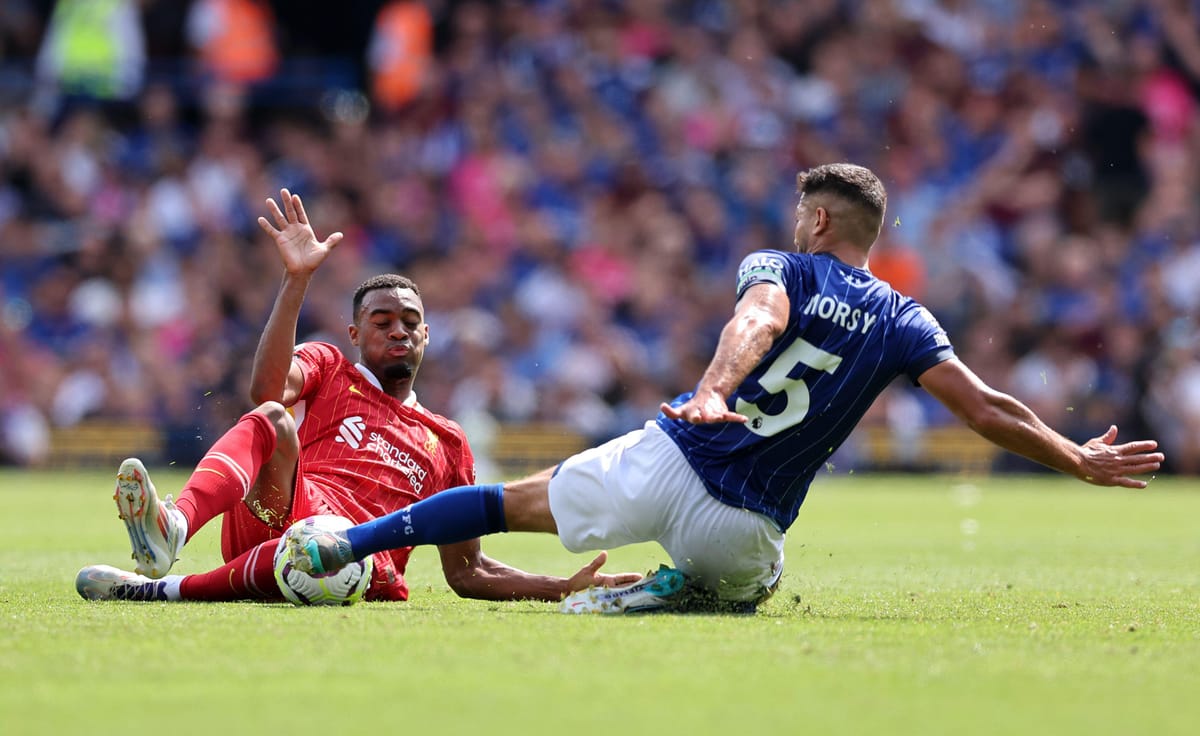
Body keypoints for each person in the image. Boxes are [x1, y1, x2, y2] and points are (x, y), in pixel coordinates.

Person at [283, 163, 1165, 614]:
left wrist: (711, 389)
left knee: (502, 504)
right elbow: (985, 409)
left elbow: (757, 320)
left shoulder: (781, 264)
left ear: (817, 221)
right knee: (752, 588)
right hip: (740, 527)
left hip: (673, 452)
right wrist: (1071, 455)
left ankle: (345, 545)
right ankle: (673, 590)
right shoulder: (907, 319)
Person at [76, 188, 640, 603]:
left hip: (360, 564)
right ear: (355, 334)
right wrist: (296, 280)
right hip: (280, 510)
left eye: (409, 321)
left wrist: (560, 586)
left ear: (426, 335)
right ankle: (175, 526)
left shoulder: (449, 441)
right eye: (381, 320)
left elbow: (468, 572)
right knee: (274, 416)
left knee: (319, 546)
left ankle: (156, 591)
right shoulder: (330, 367)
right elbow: (265, 391)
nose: (397, 330)